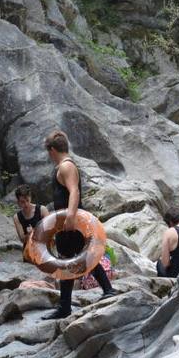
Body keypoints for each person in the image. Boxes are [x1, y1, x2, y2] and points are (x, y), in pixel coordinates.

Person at [42, 130, 116, 320]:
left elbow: (74, 191)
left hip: (71, 222)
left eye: (48, 152)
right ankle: (104, 291)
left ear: (52, 150)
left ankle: (66, 306)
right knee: (76, 258)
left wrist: (70, 217)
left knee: (70, 260)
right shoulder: (65, 165)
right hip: (69, 222)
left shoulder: (66, 166)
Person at [13, 185, 43, 258]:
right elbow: (22, 239)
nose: (26, 204)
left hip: (43, 249)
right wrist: (29, 235)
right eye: (22, 202)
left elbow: (50, 231)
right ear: (18, 202)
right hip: (28, 252)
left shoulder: (42, 210)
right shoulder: (17, 217)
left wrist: (35, 232)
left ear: (30, 198)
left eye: (27, 200)